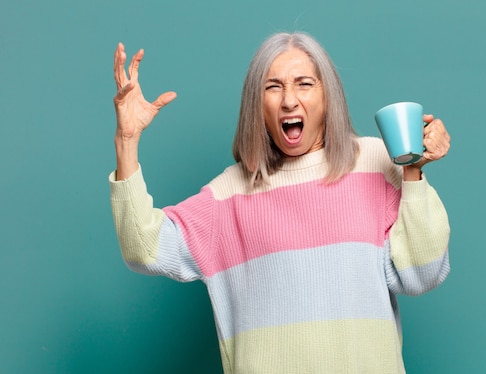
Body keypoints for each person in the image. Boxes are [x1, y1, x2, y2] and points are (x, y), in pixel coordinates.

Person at [110, 32, 451, 373]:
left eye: (304, 84)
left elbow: (422, 275)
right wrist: (126, 140)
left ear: (328, 96)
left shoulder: (376, 162)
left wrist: (413, 173)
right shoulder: (229, 195)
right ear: (256, 105)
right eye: (273, 87)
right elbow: (142, 246)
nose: (289, 100)